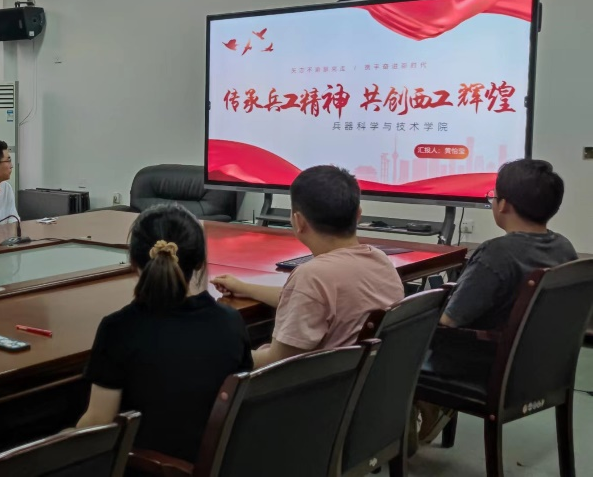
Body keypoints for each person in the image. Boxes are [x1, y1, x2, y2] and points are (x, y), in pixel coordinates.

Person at [76, 205, 252, 462]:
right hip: (216, 463)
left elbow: (98, 425)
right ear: (200, 262)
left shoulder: (119, 328)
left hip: (147, 467)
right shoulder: (231, 322)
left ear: (134, 262)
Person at [417, 159, 577, 442]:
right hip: (541, 366)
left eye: (493, 196)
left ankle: (402, 426)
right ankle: (429, 409)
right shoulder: (564, 247)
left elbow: (449, 320)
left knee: (396, 341)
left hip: (484, 365)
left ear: (504, 205)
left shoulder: (497, 254)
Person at [212, 165, 403, 368]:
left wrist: (218, 355)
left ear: (298, 221)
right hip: (362, 380)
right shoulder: (380, 261)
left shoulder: (312, 277)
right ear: (358, 215)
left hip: (310, 385)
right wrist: (243, 288)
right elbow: (303, 298)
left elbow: (276, 364)